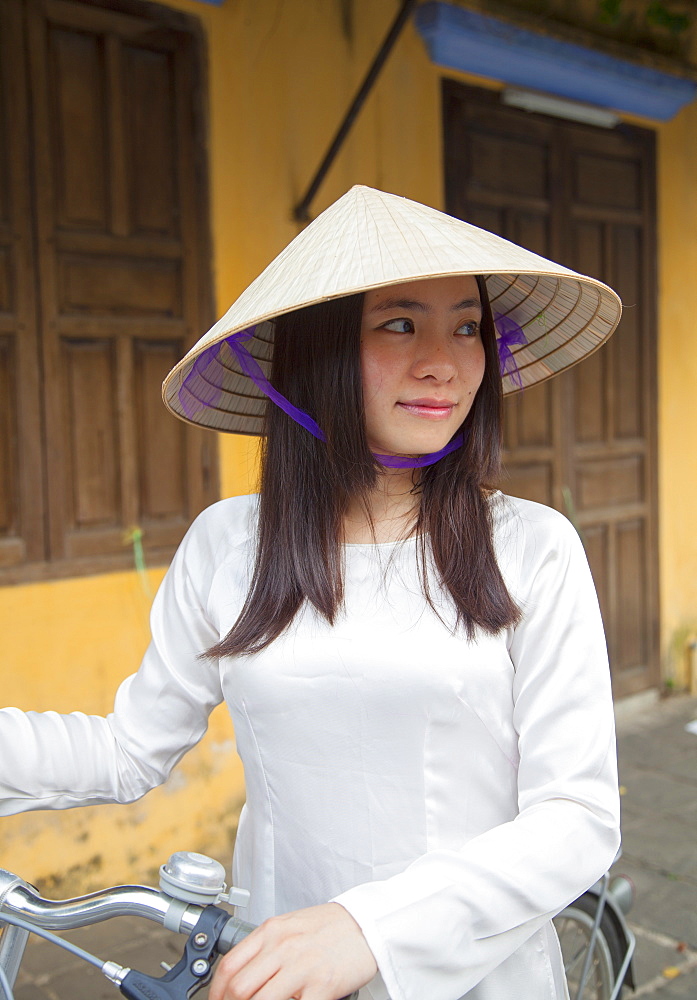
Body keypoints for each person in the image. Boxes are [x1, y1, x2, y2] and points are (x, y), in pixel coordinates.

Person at [0, 186, 623, 1000]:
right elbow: (127, 749)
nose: (445, 360)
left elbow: (575, 818)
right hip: (273, 975)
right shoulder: (229, 545)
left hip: (476, 976)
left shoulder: (532, 548)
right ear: (313, 354)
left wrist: (369, 929)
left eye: (466, 326)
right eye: (399, 323)